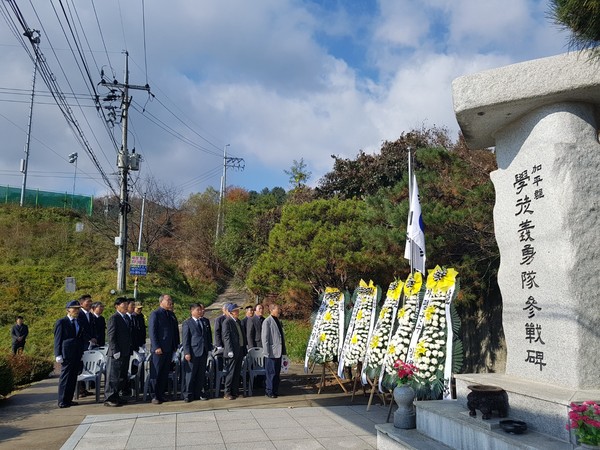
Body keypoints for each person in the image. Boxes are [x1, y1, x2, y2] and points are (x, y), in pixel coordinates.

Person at [148, 294, 180, 404]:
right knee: (156, 373)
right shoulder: (155, 314)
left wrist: (176, 345)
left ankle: (161, 394)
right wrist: (156, 346)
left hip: (169, 348)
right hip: (159, 349)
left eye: (171, 300)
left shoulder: (171, 314)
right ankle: (154, 395)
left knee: (164, 373)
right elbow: (153, 332)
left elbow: (175, 331)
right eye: (168, 300)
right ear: (161, 302)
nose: (170, 302)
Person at [54, 300, 85, 408]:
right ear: (68, 310)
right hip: (66, 353)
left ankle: (69, 399)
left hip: (76, 353)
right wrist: (58, 354)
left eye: (78, 309)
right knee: (65, 377)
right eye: (74, 309)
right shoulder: (62, 322)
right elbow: (58, 339)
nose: (77, 311)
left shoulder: (78, 322)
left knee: (72, 377)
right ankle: (62, 400)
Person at [104, 297, 132, 407]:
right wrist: (115, 350)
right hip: (116, 353)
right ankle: (109, 398)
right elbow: (111, 336)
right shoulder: (114, 318)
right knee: (113, 376)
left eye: (126, 304)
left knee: (121, 376)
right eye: (123, 304)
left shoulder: (127, 318)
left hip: (125, 352)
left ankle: (117, 396)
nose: (125, 306)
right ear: (117, 306)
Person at [181, 303, 212, 402]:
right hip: (193, 351)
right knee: (190, 374)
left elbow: (207, 336)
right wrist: (187, 352)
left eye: (201, 310)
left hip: (203, 351)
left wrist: (208, 348)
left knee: (200, 374)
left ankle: (197, 393)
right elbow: (186, 339)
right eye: (198, 310)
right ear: (192, 311)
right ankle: (188, 394)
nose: (200, 312)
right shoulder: (187, 323)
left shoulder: (203, 321)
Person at [261, 303, 287, 398]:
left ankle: (275, 390)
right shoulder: (267, 321)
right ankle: (269, 391)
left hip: (278, 351)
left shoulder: (278, 321)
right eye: (277, 309)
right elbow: (265, 338)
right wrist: (266, 352)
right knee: (270, 372)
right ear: (272, 310)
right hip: (271, 352)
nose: (279, 311)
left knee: (276, 372)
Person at [222, 303, 247, 400]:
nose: (237, 312)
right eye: (235, 311)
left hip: (240, 349)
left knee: (237, 372)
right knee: (231, 372)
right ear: (230, 312)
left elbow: (242, 336)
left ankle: (234, 391)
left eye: (237, 310)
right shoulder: (227, 322)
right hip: (232, 350)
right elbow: (226, 337)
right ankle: (227, 392)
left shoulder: (238, 321)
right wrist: (229, 350)